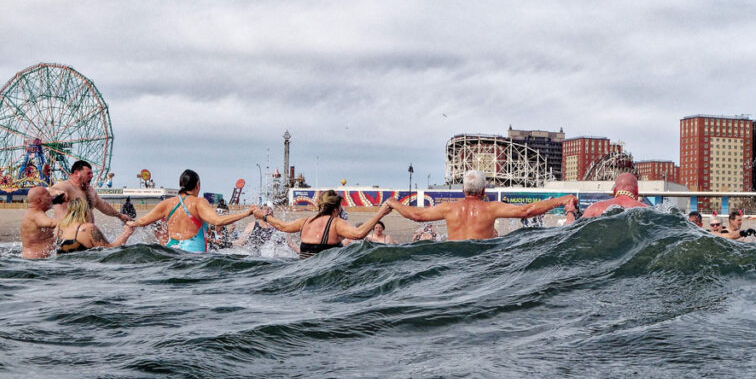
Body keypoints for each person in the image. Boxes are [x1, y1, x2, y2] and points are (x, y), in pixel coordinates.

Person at [386, 170, 577, 241]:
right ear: (484, 190)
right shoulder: (491, 208)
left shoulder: (448, 208)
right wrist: (561, 200)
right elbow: (526, 211)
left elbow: (416, 215)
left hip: (452, 259)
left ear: (462, 189)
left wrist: (394, 203)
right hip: (481, 258)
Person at [125, 169, 257, 252]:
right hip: (194, 253)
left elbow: (142, 221)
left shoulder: (167, 203)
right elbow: (218, 221)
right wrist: (246, 212)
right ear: (197, 185)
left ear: (180, 184)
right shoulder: (198, 202)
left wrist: (130, 222)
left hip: (171, 250)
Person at [259, 189, 391, 258]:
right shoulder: (336, 223)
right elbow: (358, 233)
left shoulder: (305, 221)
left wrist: (264, 217)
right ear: (336, 208)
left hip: (303, 274)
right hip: (326, 280)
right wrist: (381, 213)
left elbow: (282, 226)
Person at [48, 160, 130, 224]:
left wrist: (120, 216)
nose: (92, 176)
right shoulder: (65, 186)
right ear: (77, 173)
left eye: (92, 173)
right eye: (88, 173)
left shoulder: (91, 191)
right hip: (68, 237)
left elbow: (103, 206)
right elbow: (50, 192)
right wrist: (56, 193)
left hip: (87, 236)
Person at [55, 198, 134, 254]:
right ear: (85, 211)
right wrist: (127, 233)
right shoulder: (88, 228)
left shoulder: (59, 227)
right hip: (82, 274)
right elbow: (110, 249)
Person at [580, 173, 650, 218]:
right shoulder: (648, 210)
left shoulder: (594, 208)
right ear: (637, 191)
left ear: (614, 191)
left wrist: (570, 211)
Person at [20, 186, 59, 259]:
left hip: (33, 259)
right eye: (48, 195)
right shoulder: (36, 215)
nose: (51, 197)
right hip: (37, 261)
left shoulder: (31, 213)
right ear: (40, 200)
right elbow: (52, 223)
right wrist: (72, 219)